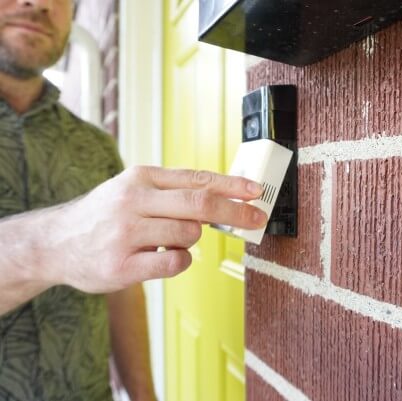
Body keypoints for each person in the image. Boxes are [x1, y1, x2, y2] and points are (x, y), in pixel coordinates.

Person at [0, 0, 268, 399]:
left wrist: (144, 394)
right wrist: (54, 244)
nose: (37, 3)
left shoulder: (94, 147)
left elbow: (122, 288)